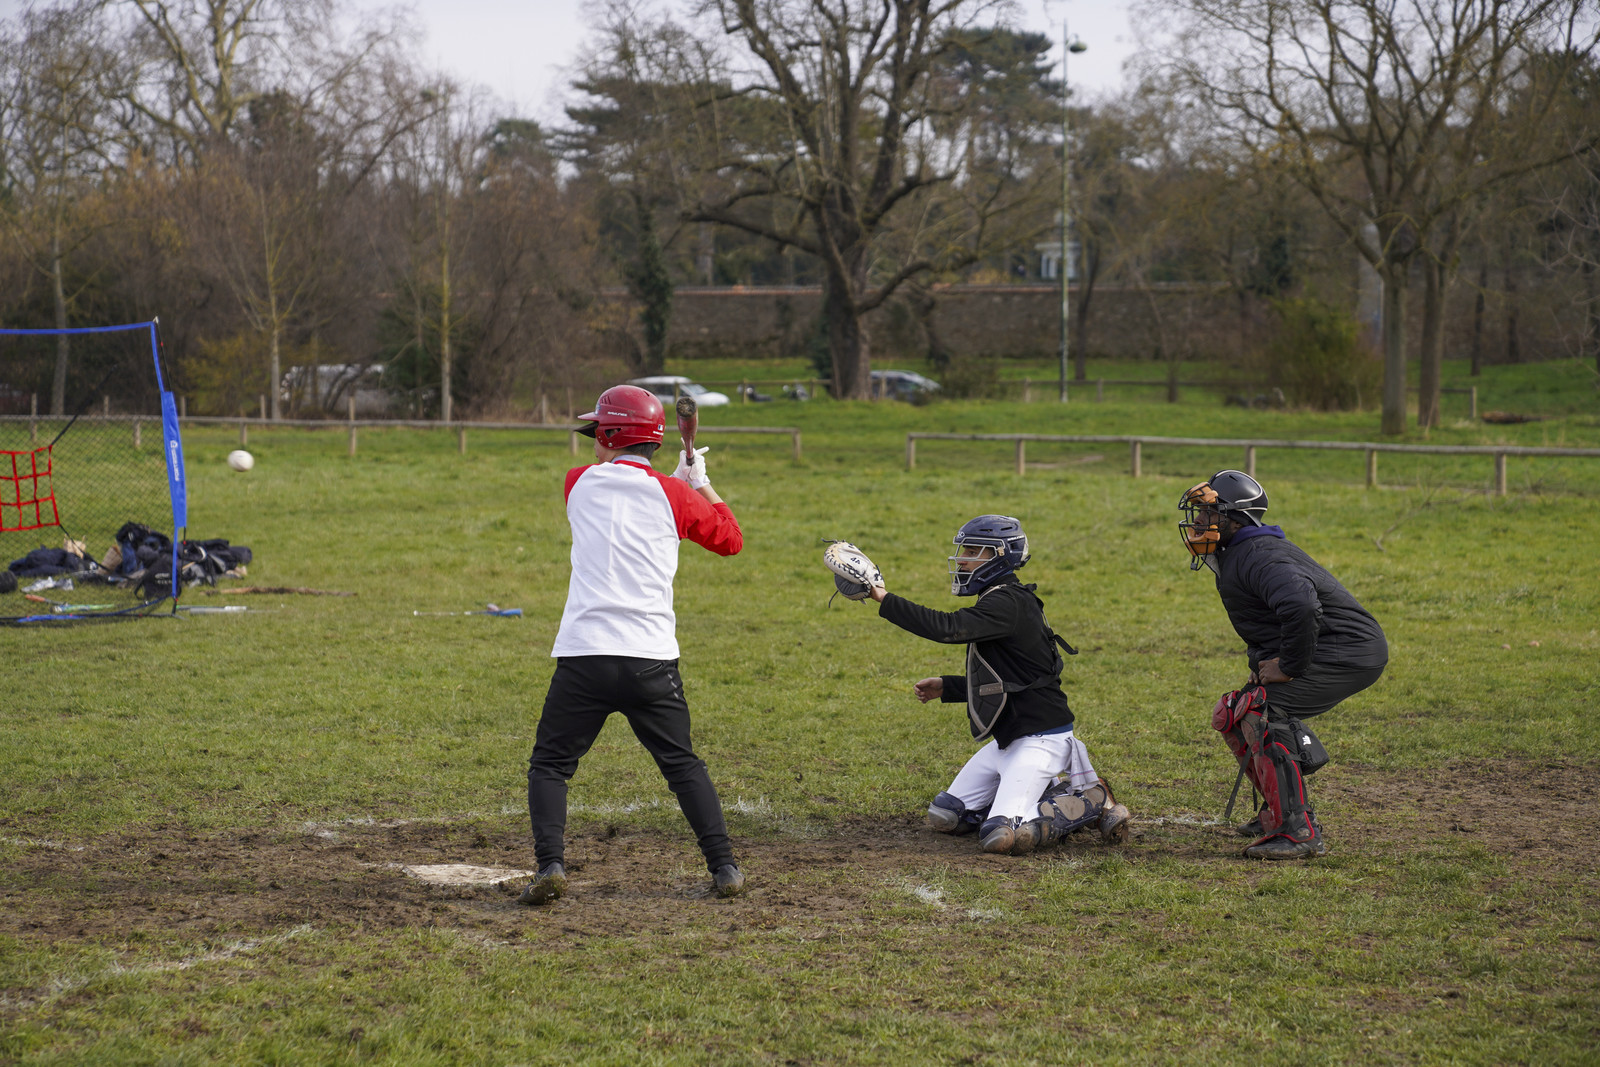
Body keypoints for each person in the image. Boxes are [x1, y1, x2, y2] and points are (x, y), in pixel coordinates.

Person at [519, 384, 746, 905]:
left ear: (612, 435)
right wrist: (700, 485)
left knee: (551, 766)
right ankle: (725, 867)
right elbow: (730, 539)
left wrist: (678, 482)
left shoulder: (577, 483)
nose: (592, 440)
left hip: (585, 656)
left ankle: (550, 865)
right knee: (683, 766)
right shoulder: (676, 495)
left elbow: (619, 488)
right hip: (651, 659)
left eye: (598, 431)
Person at [861, 515, 1131, 855]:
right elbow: (1011, 677)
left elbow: (948, 628)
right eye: (963, 549)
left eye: (973, 550)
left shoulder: (1007, 602)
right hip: (1011, 738)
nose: (962, 559)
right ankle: (1045, 792)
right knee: (947, 815)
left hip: (1041, 740)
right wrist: (950, 687)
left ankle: (1092, 799)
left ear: (1001, 556)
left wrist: (881, 597)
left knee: (1000, 835)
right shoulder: (1000, 598)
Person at [1178, 470, 1388, 861]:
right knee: (1232, 712)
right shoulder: (1240, 552)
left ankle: (1297, 830)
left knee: (1263, 710)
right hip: (1327, 647)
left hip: (1350, 651)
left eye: (1208, 513)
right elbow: (1268, 626)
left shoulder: (1260, 553)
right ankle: (1277, 811)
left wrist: (1288, 666)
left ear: (1233, 518)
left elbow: (1301, 606)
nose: (1199, 522)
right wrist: (1263, 667)